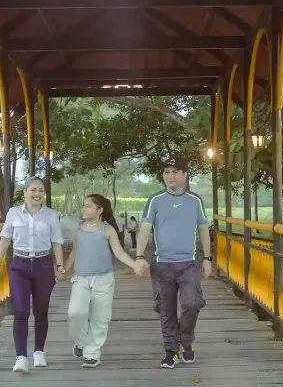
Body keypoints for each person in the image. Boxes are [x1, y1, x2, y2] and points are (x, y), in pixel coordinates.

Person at [134, 158, 212, 369]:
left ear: (185, 174)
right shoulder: (155, 200)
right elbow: (144, 229)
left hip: (189, 264)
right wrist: (139, 257)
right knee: (165, 309)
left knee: (192, 303)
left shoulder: (194, 200)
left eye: (175, 171)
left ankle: (186, 341)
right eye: (167, 171)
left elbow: (203, 229)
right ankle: (171, 351)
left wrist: (207, 258)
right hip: (162, 265)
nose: (170, 176)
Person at [0, 177, 66, 372]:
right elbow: (5, 239)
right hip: (20, 265)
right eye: (33, 190)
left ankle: (39, 352)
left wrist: (60, 267)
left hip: (43, 265)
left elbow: (57, 241)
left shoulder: (51, 215)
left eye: (41, 190)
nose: (37, 194)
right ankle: (21, 357)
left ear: (44, 194)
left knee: (41, 311)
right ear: (25, 193)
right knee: (21, 311)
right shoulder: (14, 213)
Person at [61, 194, 138, 368]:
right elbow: (74, 252)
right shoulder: (79, 228)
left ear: (99, 210)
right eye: (84, 205)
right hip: (81, 279)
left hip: (104, 280)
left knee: (100, 318)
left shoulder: (107, 229)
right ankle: (81, 342)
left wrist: (134, 265)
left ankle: (92, 353)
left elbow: (119, 252)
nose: (84, 209)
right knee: (75, 312)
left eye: (88, 206)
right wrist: (64, 269)